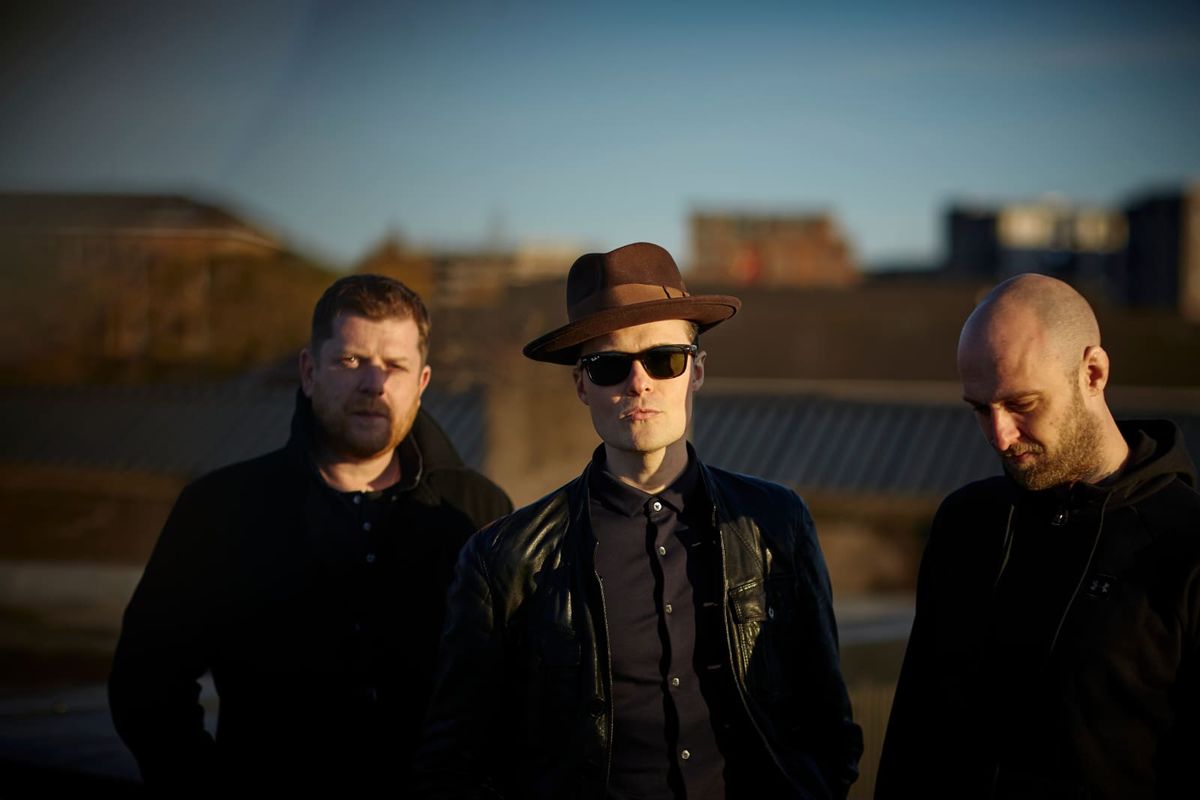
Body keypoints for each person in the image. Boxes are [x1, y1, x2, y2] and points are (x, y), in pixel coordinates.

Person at [413, 242, 862, 799]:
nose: (639, 382)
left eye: (664, 359)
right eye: (609, 366)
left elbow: (828, 726)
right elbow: (454, 760)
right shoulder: (506, 559)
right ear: (582, 385)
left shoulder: (775, 522)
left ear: (697, 371)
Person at [109, 274, 512, 790]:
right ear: (308, 371)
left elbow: (514, 684)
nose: (374, 383)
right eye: (351, 360)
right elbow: (146, 683)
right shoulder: (220, 509)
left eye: (395, 366)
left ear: (422, 382)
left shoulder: (480, 513)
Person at [876, 273, 1200, 798]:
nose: (1000, 436)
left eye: (1022, 404)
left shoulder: (1185, 546)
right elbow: (914, 731)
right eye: (980, 408)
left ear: (1093, 373)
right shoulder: (967, 522)